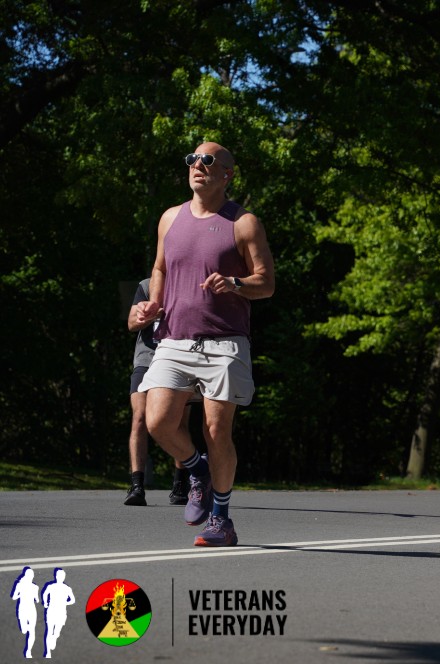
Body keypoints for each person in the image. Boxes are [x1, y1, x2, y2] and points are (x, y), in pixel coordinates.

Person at [135, 142, 275, 547]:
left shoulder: (243, 223)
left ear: (227, 173)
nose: (197, 165)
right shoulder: (170, 218)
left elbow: (266, 283)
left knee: (216, 429)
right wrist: (153, 304)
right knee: (157, 421)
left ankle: (221, 520)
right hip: (173, 338)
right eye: (192, 159)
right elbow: (160, 267)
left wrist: (235, 283)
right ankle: (198, 471)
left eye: (208, 160)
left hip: (224, 342)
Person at [125, 277, 191, 507]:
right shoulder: (146, 285)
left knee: (178, 421)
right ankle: (137, 485)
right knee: (139, 417)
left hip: (179, 358)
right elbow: (131, 323)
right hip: (147, 359)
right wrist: (149, 315)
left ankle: (180, 484)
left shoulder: (189, 281)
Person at [41, 568, 74, 658]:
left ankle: (54, 638)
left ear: (64, 577)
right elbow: (45, 594)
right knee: (49, 631)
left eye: (62, 576)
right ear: (56, 576)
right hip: (51, 610)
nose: (60, 577)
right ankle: (47, 652)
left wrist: (65, 603)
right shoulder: (51, 586)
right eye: (59, 576)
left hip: (61, 612)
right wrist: (45, 602)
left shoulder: (67, 588)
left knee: (56, 632)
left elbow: (72, 600)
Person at [9, 566, 39, 658]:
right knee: (25, 630)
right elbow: (37, 600)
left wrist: (21, 595)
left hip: (25, 609)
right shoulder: (34, 587)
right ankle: (28, 650)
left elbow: (14, 597)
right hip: (28, 609)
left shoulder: (20, 585)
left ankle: (28, 651)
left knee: (31, 631)